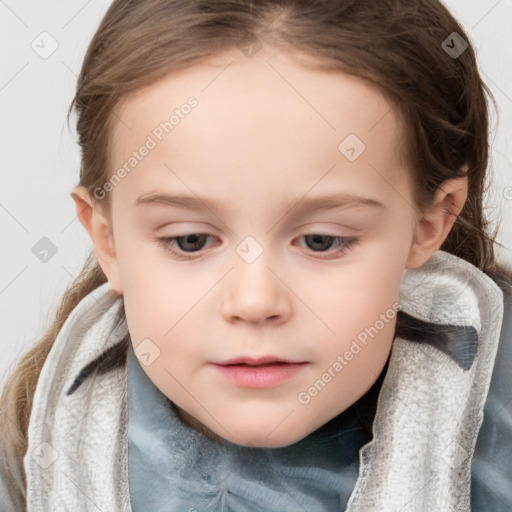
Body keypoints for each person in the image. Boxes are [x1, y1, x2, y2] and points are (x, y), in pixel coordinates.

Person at [1, 0, 511, 510]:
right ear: (107, 240)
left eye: (321, 240)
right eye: (190, 241)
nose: (254, 301)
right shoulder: (28, 451)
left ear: (429, 224)